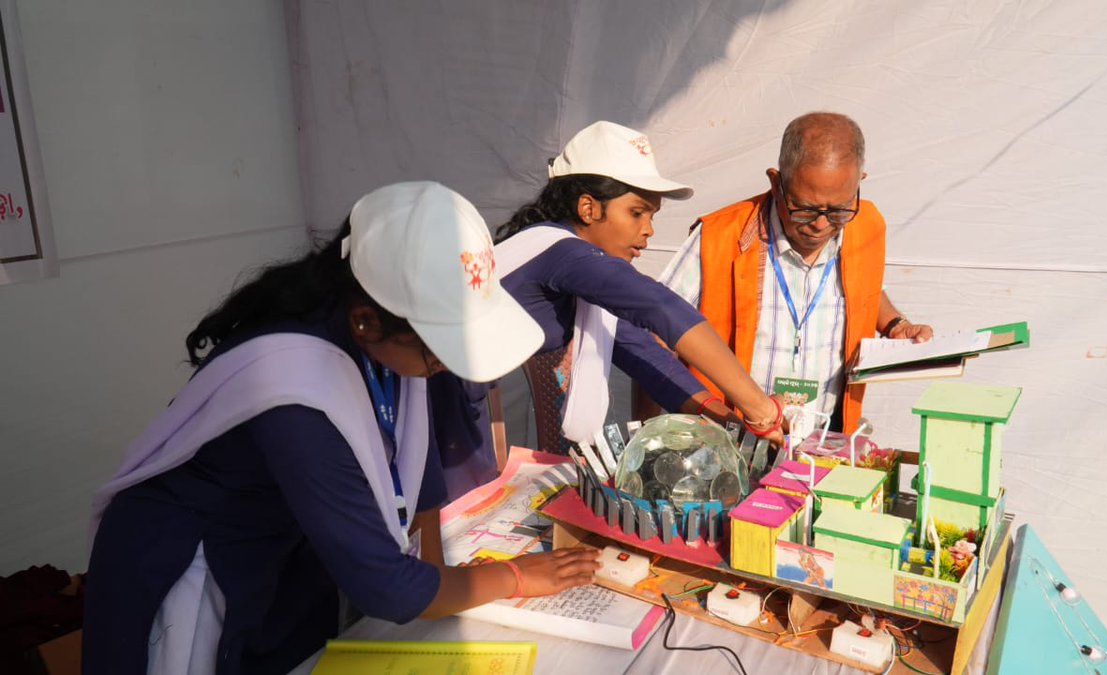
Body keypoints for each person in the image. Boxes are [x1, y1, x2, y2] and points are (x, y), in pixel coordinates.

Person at [83, 182, 600, 674]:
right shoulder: (292, 387)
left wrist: (442, 602)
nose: (450, 364)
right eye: (442, 347)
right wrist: (513, 578)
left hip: (286, 547)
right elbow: (386, 588)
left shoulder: (388, 339)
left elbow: (419, 486)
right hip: (198, 564)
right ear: (365, 322)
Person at [484, 120, 785, 455]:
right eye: (637, 212)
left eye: (652, 216)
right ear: (588, 208)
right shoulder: (564, 253)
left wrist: (730, 426)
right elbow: (658, 307)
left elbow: (647, 357)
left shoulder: (580, 278)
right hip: (444, 405)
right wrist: (761, 410)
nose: (649, 230)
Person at [654, 112, 933, 433]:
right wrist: (651, 435)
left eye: (839, 209)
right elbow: (653, 334)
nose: (821, 224)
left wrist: (895, 324)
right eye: (805, 208)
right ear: (776, 183)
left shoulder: (868, 226)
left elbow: (867, 290)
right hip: (727, 439)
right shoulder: (718, 237)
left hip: (825, 436)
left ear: (859, 183)